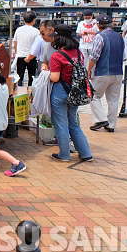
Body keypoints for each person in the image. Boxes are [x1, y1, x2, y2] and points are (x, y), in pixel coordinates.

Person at [49, 25, 93, 162]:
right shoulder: (78, 53)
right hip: (75, 92)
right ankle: (86, 153)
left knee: (61, 124)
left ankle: (64, 155)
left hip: (60, 92)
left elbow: (54, 78)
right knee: (73, 123)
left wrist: (46, 74)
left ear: (58, 37)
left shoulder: (57, 55)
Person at [87, 15, 124, 133]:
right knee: (113, 100)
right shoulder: (119, 37)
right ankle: (111, 125)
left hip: (102, 72)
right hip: (118, 72)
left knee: (93, 96)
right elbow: (124, 56)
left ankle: (101, 119)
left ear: (98, 24)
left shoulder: (100, 36)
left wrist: (88, 69)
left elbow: (94, 56)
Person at [12, 11, 40, 87]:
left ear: (24, 20)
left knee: (19, 78)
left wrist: (17, 52)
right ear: (34, 20)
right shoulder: (36, 31)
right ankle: (30, 94)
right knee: (32, 78)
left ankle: (20, 94)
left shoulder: (18, 30)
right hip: (31, 57)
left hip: (20, 56)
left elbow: (15, 42)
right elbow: (38, 45)